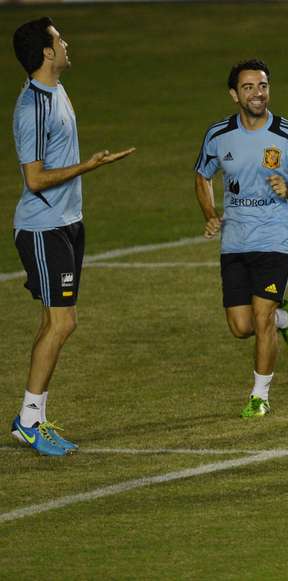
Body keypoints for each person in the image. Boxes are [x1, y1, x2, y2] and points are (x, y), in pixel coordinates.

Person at [10, 17, 135, 456]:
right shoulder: (33, 108)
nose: (66, 44)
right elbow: (35, 179)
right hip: (43, 227)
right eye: (59, 39)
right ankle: (28, 419)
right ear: (46, 53)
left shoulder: (56, 90)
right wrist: (89, 166)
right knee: (63, 322)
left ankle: (34, 417)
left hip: (67, 223)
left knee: (52, 321)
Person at [194, 59, 288, 418]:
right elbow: (202, 175)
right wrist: (209, 215)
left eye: (263, 86)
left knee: (261, 317)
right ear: (234, 94)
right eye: (249, 87)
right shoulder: (218, 135)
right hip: (235, 240)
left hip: (275, 238)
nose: (258, 93)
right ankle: (286, 318)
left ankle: (259, 395)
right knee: (241, 327)